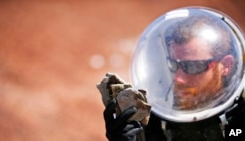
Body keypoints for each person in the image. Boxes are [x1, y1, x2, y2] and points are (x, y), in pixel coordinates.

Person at [97, 7, 245, 141]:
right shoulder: (158, 111)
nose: (179, 79)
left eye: (192, 66)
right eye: (173, 65)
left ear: (226, 65)